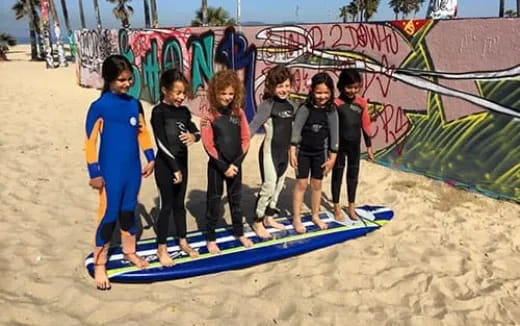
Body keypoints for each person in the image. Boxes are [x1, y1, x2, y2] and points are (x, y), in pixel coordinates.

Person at [84, 55, 155, 290]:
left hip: (132, 170)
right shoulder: (99, 106)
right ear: (109, 79)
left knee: (128, 212)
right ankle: (100, 264)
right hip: (110, 173)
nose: (127, 84)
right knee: (109, 215)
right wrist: (94, 172)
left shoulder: (134, 104)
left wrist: (150, 158)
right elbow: (90, 142)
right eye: (121, 80)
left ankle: (129, 251)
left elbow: (143, 132)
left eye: (129, 79)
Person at [150, 69, 200, 267]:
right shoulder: (158, 112)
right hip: (165, 166)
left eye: (183, 93)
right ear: (165, 91)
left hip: (182, 163)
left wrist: (193, 137)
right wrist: (174, 169)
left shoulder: (184, 112)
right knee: (167, 206)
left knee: (180, 205)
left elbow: (194, 129)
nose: (181, 97)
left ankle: (183, 241)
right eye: (177, 93)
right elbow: (161, 143)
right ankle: (161, 247)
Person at [200, 70, 254, 254]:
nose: (227, 97)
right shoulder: (209, 115)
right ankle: (210, 237)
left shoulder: (238, 113)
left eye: (231, 93)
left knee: (236, 201)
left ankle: (239, 232)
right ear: (215, 92)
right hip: (217, 166)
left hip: (235, 165)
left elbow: (246, 139)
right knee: (214, 202)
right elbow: (208, 144)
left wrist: (236, 164)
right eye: (223, 93)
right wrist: (224, 166)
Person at [249, 65, 297, 239]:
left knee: (277, 188)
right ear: (271, 87)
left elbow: (294, 130)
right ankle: (258, 220)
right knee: (268, 186)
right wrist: (243, 143)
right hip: (269, 152)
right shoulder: (267, 105)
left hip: (283, 153)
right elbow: (253, 125)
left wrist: (293, 151)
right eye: (279, 86)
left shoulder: (292, 106)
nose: (284, 90)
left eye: (286, 85)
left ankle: (269, 217)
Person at [290, 72, 339, 234]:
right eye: (318, 92)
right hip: (303, 152)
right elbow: (296, 130)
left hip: (320, 154)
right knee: (302, 184)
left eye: (325, 92)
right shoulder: (305, 108)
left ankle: (315, 215)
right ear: (312, 91)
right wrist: (292, 151)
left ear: (331, 92)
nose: (322, 96)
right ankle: (296, 217)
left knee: (317, 185)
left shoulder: (331, 111)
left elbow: (334, 135)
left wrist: (332, 158)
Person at [331, 68, 374, 221]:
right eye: (349, 87)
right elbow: (332, 128)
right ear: (341, 86)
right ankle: (336, 206)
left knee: (353, 176)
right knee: (337, 175)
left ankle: (351, 207)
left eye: (356, 87)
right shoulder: (336, 104)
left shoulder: (361, 103)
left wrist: (369, 147)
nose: (353, 91)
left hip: (355, 146)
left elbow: (366, 125)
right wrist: (330, 149)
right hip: (339, 147)